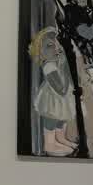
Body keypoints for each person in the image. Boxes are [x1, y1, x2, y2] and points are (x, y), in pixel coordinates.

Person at [29, 27, 77, 156]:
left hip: (62, 98)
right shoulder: (49, 66)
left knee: (62, 118)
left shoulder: (58, 62)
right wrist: (65, 65)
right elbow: (61, 90)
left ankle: (60, 138)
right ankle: (49, 144)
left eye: (58, 45)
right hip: (52, 98)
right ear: (40, 51)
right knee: (52, 118)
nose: (56, 49)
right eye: (50, 46)